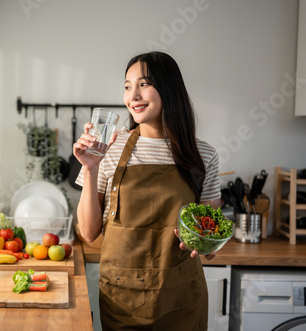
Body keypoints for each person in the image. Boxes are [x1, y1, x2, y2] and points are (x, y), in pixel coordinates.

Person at [73, 51, 223, 330]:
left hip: (181, 300)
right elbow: (88, 232)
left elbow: (208, 231)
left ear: (169, 88)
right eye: (127, 87)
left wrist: (207, 245)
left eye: (144, 84)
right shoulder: (107, 149)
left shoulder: (204, 154)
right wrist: (91, 168)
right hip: (122, 301)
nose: (133, 96)